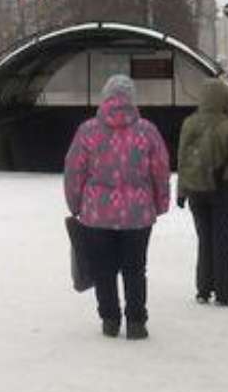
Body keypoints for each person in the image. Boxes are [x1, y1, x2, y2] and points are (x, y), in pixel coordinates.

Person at [64, 74, 170, 340]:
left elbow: (74, 170)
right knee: (135, 269)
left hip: (97, 214)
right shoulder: (147, 131)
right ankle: (136, 322)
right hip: (138, 214)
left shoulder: (88, 130)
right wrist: (160, 203)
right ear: (132, 98)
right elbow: (160, 169)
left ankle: (110, 319)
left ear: (105, 97)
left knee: (103, 269)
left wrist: (75, 203)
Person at [176, 79, 228, 307]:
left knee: (204, 240)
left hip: (196, 190)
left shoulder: (189, 123)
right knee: (223, 241)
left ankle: (203, 289)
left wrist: (181, 190)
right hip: (222, 189)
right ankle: (223, 293)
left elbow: (182, 159)